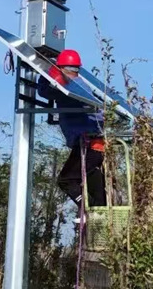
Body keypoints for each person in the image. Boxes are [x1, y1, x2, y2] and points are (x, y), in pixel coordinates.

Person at [37, 49, 107, 210]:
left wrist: (44, 71)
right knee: (96, 190)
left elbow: (44, 91)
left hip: (87, 145)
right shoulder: (80, 86)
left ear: (61, 68)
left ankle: (86, 210)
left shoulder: (69, 89)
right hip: (95, 145)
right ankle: (98, 214)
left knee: (67, 181)